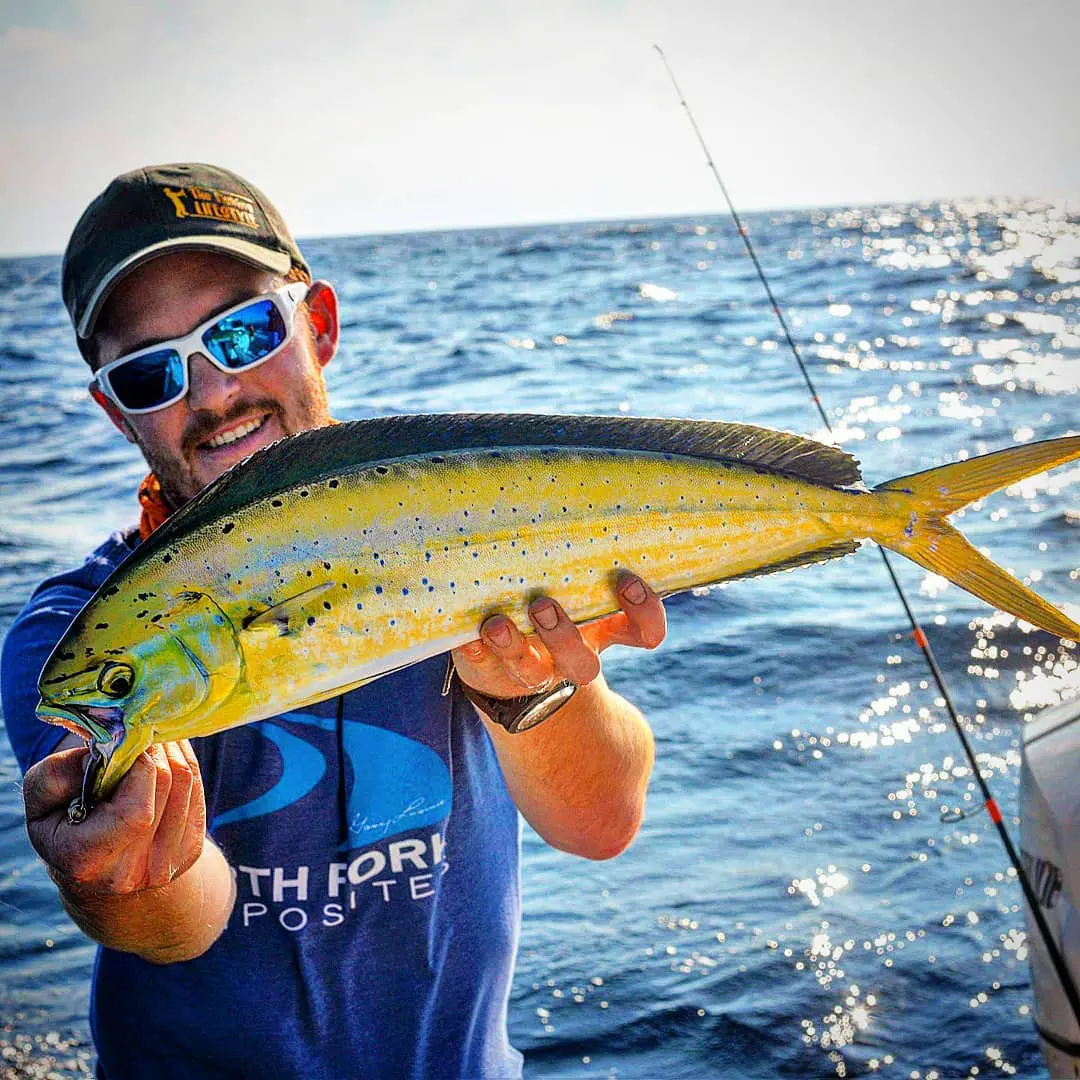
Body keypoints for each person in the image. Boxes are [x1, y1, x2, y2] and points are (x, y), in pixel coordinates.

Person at [0, 164, 665, 1079]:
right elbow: (184, 921)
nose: (214, 393)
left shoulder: (464, 527)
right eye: (153, 372)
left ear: (317, 325)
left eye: (242, 330)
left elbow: (602, 824)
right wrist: (121, 871)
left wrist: (530, 698)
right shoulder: (76, 633)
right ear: (117, 411)